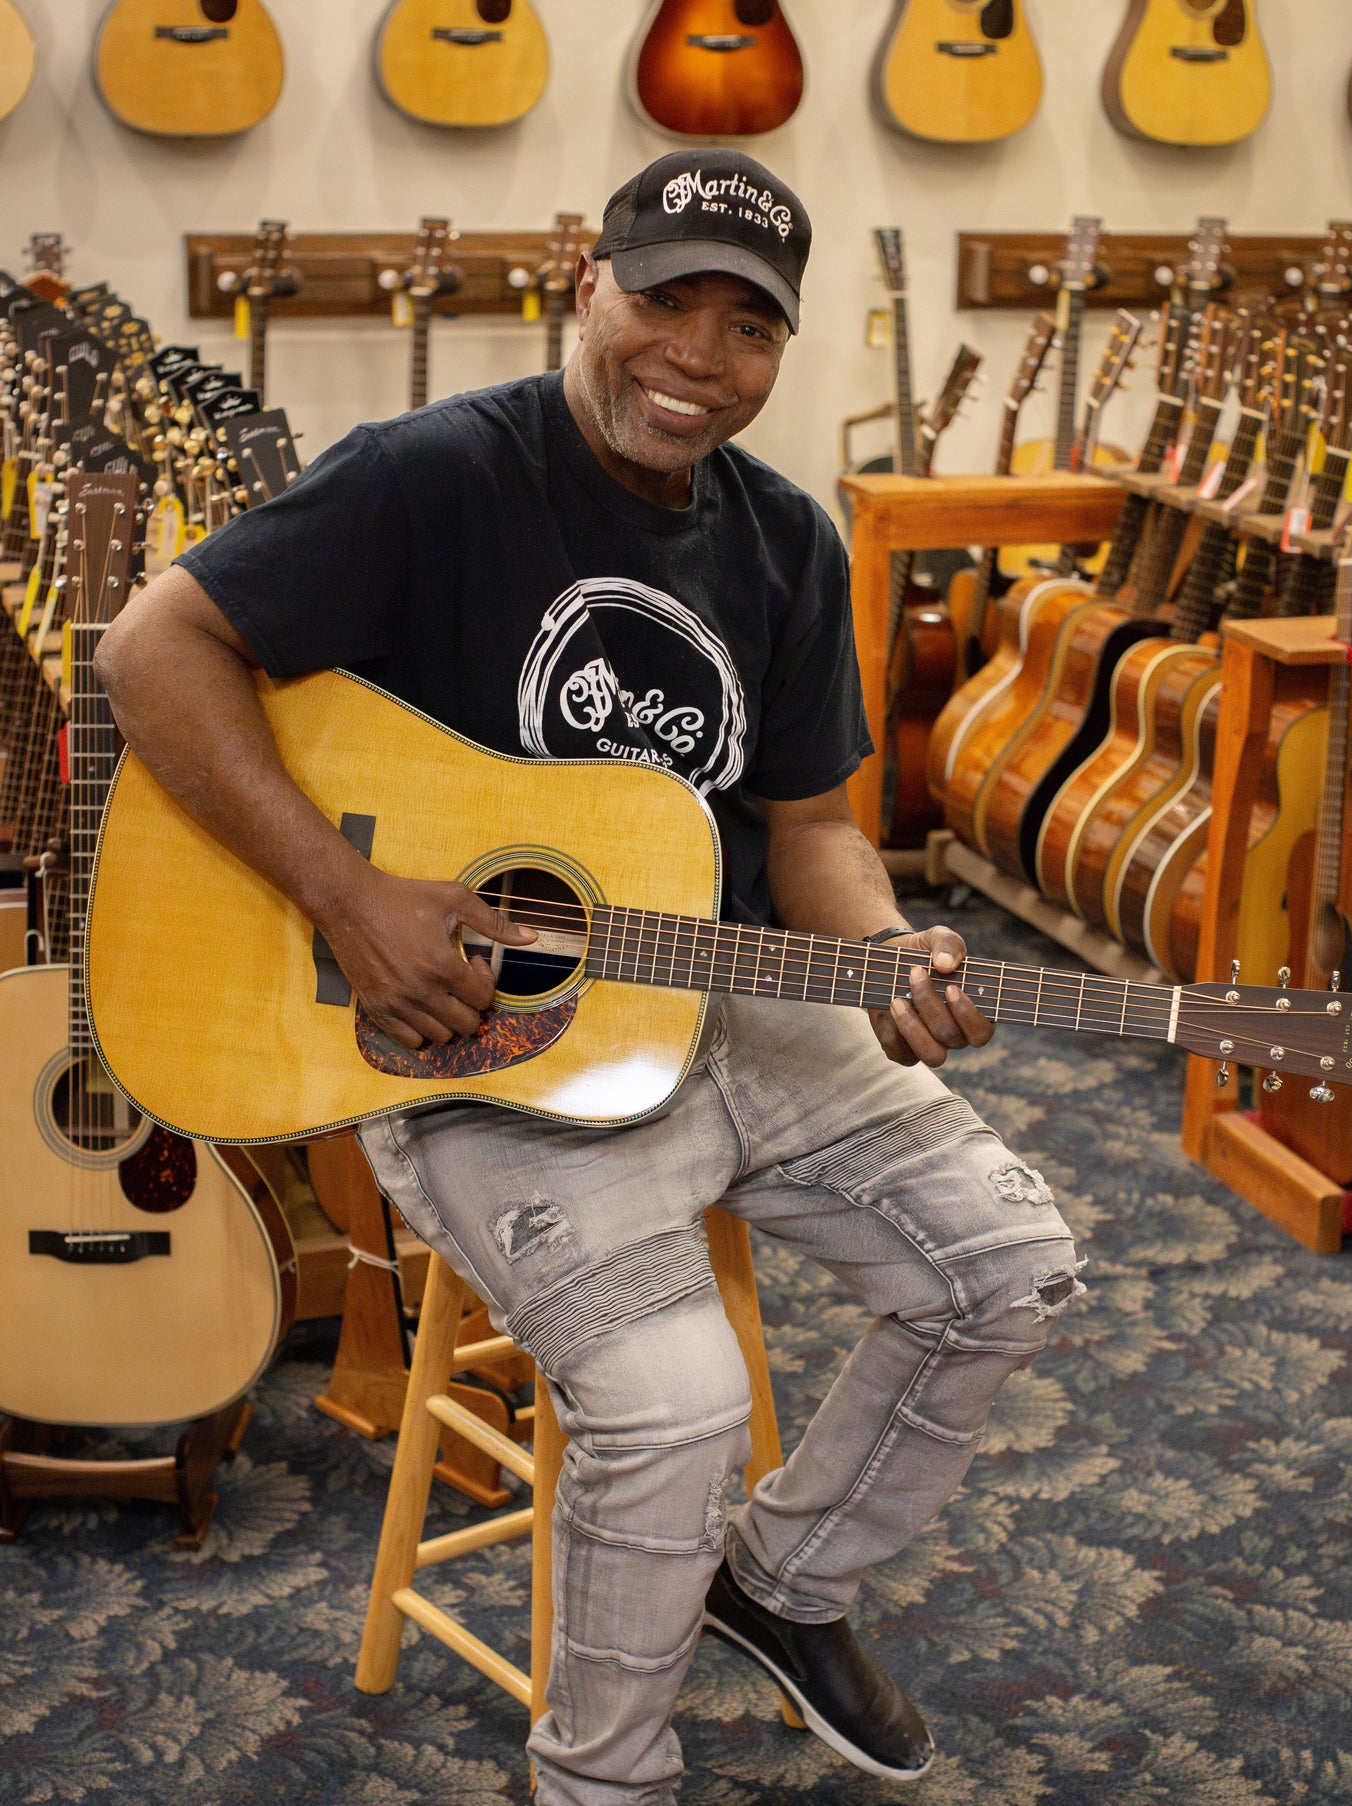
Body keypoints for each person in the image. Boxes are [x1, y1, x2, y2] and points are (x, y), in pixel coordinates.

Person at [97, 150, 1082, 1806]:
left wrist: (880, 954)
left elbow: (813, 827)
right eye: (663, 297)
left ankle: (782, 1582)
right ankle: (601, 1777)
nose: (696, 355)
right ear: (585, 278)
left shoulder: (780, 538)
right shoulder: (431, 476)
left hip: (725, 1005)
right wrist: (346, 898)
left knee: (1010, 1268)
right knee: (675, 1406)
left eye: (746, 324)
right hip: (464, 1041)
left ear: (782, 348)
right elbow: (149, 651)